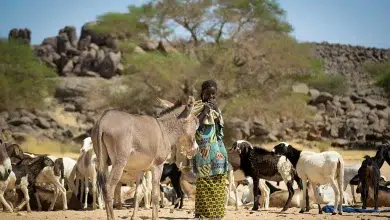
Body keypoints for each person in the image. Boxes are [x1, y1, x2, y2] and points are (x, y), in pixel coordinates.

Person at [192, 79, 229, 219]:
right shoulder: (196, 107)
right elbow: (192, 126)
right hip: (203, 151)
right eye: (208, 94)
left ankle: (216, 214)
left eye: (214, 95)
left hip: (217, 149)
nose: (211, 97)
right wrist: (205, 111)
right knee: (205, 180)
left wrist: (217, 113)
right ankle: (202, 214)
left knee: (219, 178)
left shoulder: (216, 108)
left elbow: (220, 130)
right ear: (202, 93)